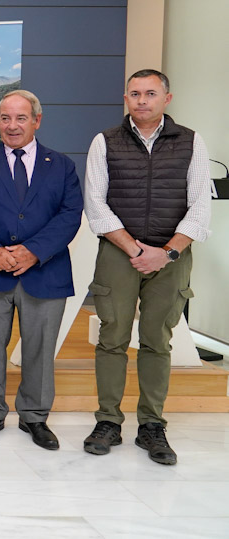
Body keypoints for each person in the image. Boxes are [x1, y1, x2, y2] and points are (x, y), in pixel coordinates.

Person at [82, 69, 211, 466]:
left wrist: (166, 252)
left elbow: (200, 207)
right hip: (118, 253)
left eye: (150, 93)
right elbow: (95, 204)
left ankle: (152, 425)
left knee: (157, 340)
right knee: (112, 338)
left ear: (166, 99)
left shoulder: (191, 141)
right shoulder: (105, 141)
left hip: (171, 257)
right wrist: (133, 247)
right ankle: (108, 421)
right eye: (135, 93)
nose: (142, 100)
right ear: (126, 98)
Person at [0, 90, 83, 450]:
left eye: (20, 118)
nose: (12, 125)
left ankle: (35, 416)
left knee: (40, 348)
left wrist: (34, 251)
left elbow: (70, 215)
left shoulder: (61, 165)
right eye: (5, 118)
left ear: (37, 120)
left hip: (45, 271)